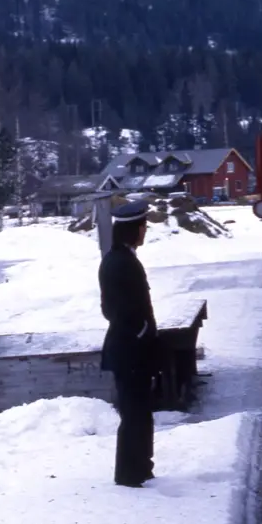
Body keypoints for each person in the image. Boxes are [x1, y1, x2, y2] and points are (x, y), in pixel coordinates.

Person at [98, 199, 159, 488]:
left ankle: (141, 467)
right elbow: (116, 311)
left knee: (140, 410)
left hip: (131, 350)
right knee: (134, 413)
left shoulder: (120, 258)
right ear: (133, 229)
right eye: (143, 226)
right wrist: (141, 332)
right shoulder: (121, 263)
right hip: (129, 351)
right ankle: (128, 474)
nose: (145, 231)